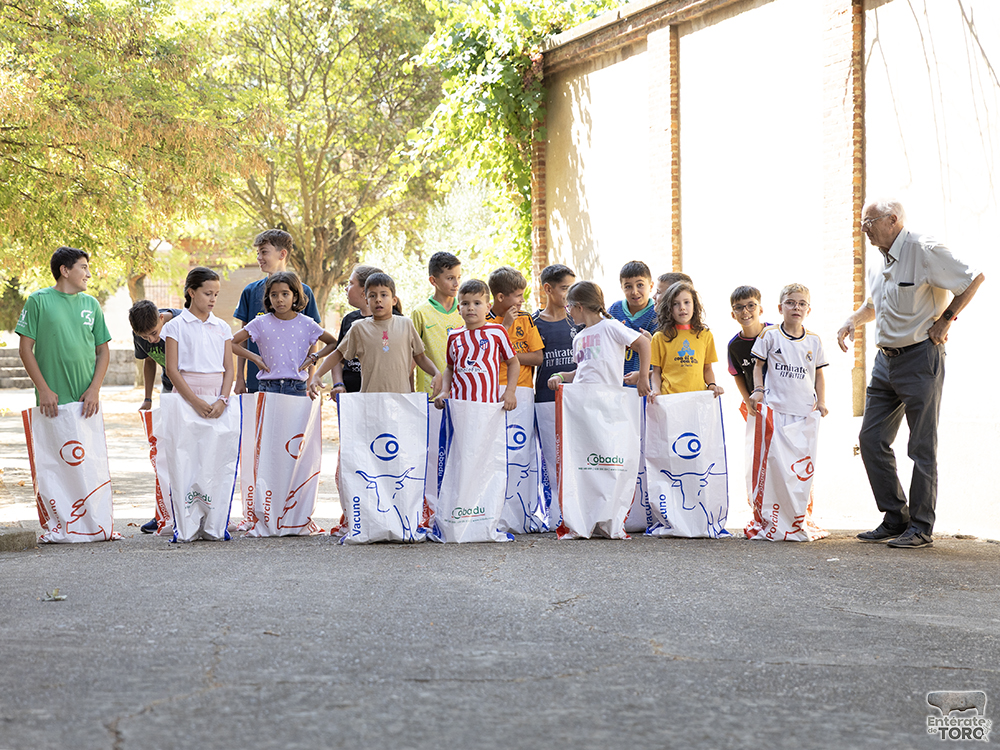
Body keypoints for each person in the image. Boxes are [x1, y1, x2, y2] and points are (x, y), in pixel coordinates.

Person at [837, 198, 985, 549]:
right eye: (862, 223)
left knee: (921, 446)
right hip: (884, 362)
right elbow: (874, 305)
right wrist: (852, 320)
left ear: (892, 219)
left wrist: (945, 321)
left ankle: (920, 527)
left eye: (869, 221)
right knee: (871, 440)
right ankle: (895, 517)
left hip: (920, 358)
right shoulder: (879, 260)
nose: (863, 229)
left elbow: (972, 278)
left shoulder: (924, 249)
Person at [746, 283, 829, 542]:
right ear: (780, 307)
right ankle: (769, 518)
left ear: (808, 309)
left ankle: (797, 517)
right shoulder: (770, 335)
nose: (796, 307)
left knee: (799, 469)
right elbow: (758, 366)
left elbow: (819, 374)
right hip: (776, 411)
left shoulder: (813, 340)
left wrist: (822, 401)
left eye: (802, 304)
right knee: (775, 467)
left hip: (803, 414)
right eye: (791, 303)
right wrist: (758, 390)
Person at [308, 273, 441, 396]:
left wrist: (436, 373)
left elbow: (420, 357)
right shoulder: (358, 328)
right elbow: (338, 354)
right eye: (372, 296)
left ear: (394, 300)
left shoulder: (406, 324)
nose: (378, 300)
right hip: (370, 400)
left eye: (384, 295)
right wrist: (317, 375)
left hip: (400, 401)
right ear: (366, 300)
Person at [16, 246, 111, 418]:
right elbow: (25, 349)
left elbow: (103, 350)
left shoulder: (92, 304)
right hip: (51, 402)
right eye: (83, 268)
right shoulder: (38, 301)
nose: (89, 274)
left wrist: (94, 389)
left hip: (86, 402)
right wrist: (43, 390)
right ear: (65, 270)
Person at [234, 229, 321, 394]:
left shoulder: (304, 292)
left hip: (296, 385)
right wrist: (240, 377)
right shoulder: (250, 291)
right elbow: (241, 340)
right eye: (258, 253)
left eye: (264, 252)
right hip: (257, 382)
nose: (259, 257)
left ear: (282, 254)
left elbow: (313, 340)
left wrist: (310, 380)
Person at [231, 272, 336, 396]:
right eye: (274, 295)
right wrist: (255, 358)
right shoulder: (260, 322)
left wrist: (313, 358)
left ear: (295, 297)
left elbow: (333, 343)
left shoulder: (307, 323)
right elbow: (232, 343)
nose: (279, 299)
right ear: (269, 298)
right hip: (267, 387)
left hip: (297, 388)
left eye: (285, 294)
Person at [128, 299, 183, 534]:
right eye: (145, 337)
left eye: (154, 334)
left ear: (162, 319)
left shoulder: (182, 322)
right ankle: (164, 513)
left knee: (187, 453)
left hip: (192, 391)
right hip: (169, 391)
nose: (151, 340)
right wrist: (148, 398)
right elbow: (149, 361)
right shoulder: (142, 333)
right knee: (164, 453)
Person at [548, 281, 651, 396]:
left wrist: (643, 377)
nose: (569, 312)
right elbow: (582, 372)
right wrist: (561, 376)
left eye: (569, 307)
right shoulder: (578, 338)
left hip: (608, 399)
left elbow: (644, 343)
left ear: (579, 307)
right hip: (583, 401)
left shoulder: (610, 326)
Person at [435, 279, 519, 410]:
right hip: (459, 407)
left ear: (488, 308)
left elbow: (513, 363)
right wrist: (444, 391)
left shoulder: (498, 331)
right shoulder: (453, 335)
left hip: (488, 407)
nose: (471, 308)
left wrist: (510, 391)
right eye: (465, 303)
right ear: (459, 309)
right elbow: (449, 368)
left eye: (477, 303)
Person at [162, 267, 234, 418]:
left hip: (217, 396)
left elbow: (229, 369)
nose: (213, 299)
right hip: (185, 395)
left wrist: (223, 400)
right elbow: (171, 370)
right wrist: (194, 401)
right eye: (208, 294)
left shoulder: (223, 327)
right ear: (192, 292)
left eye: (216, 294)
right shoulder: (175, 326)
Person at [650, 281, 722, 398]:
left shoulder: (705, 335)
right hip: (669, 398)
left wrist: (712, 385)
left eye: (687, 302)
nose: (682, 307)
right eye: (675, 304)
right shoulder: (659, 337)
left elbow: (707, 368)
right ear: (668, 308)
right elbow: (656, 372)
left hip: (697, 398)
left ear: (694, 305)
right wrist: (656, 391)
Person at [411, 252, 463, 396]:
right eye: (450, 278)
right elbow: (411, 357)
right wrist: (410, 392)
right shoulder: (420, 313)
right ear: (433, 281)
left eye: (459, 277)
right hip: (430, 394)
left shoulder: (466, 311)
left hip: (461, 393)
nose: (456, 283)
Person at [486, 266, 544, 389]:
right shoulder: (482, 321)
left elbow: (538, 358)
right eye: (518, 295)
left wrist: (506, 356)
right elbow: (486, 355)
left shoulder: (525, 318)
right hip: (493, 387)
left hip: (523, 388)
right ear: (500, 297)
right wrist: (505, 326)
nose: (522, 300)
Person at [532, 264, 579, 403]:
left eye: (573, 288)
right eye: (565, 288)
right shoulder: (532, 323)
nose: (570, 294)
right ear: (548, 289)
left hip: (577, 396)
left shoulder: (579, 320)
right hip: (546, 399)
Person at [608, 261, 657, 385]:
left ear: (651, 286)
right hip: (617, 383)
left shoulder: (658, 313)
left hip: (647, 385)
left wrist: (650, 343)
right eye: (628, 286)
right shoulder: (614, 310)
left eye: (640, 285)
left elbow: (664, 353)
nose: (634, 291)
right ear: (622, 288)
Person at [726, 285, 770, 415]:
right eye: (739, 307)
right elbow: (737, 374)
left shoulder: (774, 333)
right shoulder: (734, 346)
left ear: (760, 310)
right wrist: (747, 401)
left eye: (751, 305)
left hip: (782, 399)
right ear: (733, 314)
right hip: (758, 403)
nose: (745, 311)